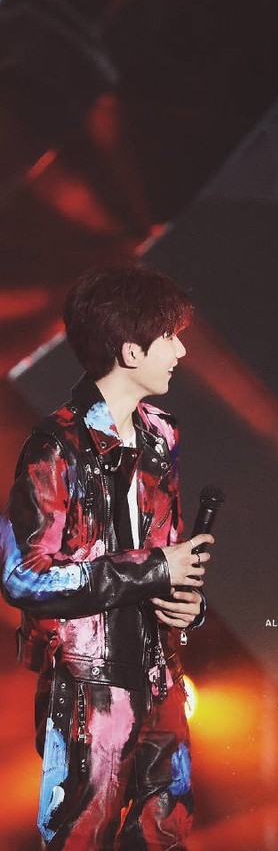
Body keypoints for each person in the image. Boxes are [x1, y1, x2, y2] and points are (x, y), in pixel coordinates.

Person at [0, 264, 213, 850]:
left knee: (165, 834)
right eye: (169, 337)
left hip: (161, 675)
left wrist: (185, 601)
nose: (181, 350)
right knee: (81, 836)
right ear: (129, 350)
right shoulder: (55, 445)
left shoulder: (161, 437)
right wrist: (155, 569)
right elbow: (23, 576)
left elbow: (164, 549)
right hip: (86, 685)